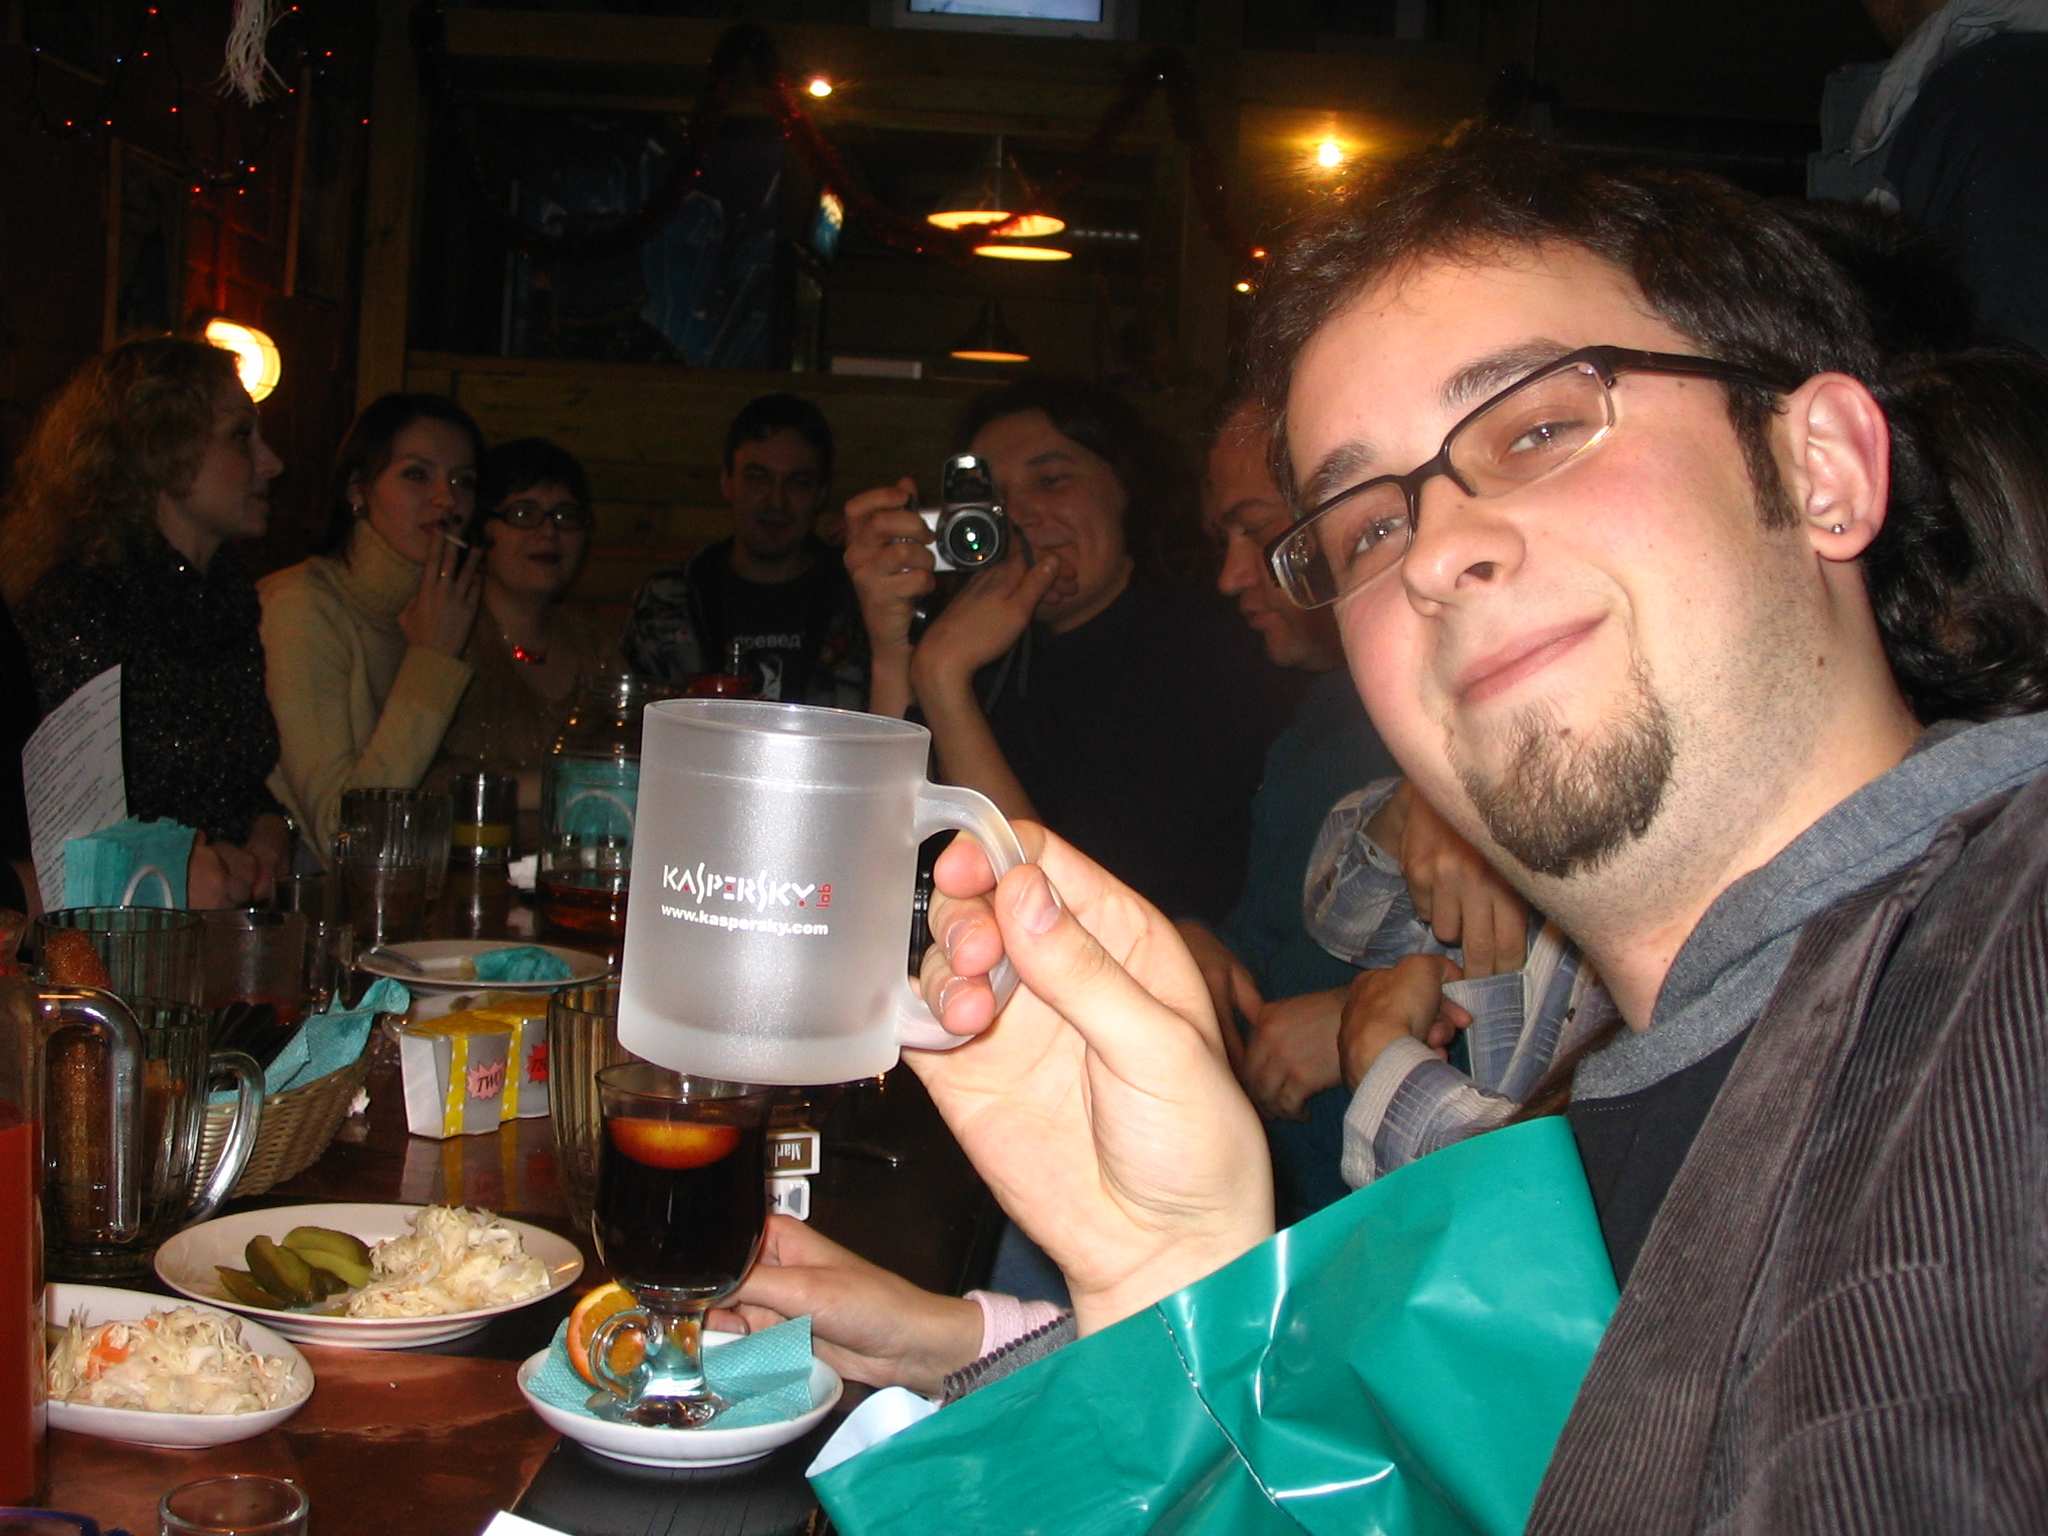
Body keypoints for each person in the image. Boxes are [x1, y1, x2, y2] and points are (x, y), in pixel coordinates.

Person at [741, 132, 2048, 1527]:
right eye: (1364, 528)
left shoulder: (2003, 954)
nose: (1430, 553)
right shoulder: (1609, 1118)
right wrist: (1161, 1288)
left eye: (1536, 429)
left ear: (1824, 467)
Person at [843, 378, 1285, 925]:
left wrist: (940, 676)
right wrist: (892, 649)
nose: (1019, 515)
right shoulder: (991, 646)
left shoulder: (1209, 654)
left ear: (1125, 488)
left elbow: (1076, 923)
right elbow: (879, 862)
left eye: (1051, 480)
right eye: (991, 497)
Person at [1175, 396, 1400, 1220]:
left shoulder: (1452, 727)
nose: (1231, 576)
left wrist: (1367, 1027)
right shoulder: (1319, 719)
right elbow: (1270, 945)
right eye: (1224, 540)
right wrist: (1199, 943)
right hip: (1275, 1209)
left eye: (1258, 532)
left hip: (1383, 1233)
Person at [4, 337, 293, 905]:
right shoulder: (79, 602)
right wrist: (192, 865)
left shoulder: (224, 596)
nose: (272, 463)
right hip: (123, 936)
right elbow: (71, 830)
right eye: (241, 435)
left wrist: (269, 825)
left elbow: (227, 781)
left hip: (214, 922)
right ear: (161, 449)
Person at [259, 394, 484, 861]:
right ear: (358, 491)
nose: (448, 499)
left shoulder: (437, 609)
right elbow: (342, 835)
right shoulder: (300, 605)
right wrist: (433, 662)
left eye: (463, 481)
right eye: (417, 475)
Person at [429, 437, 616, 846]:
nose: (548, 532)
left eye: (566, 516)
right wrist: (556, 784)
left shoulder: (597, 647)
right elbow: (421, 777)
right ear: (483, 530)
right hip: (463, 865)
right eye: (523, 514)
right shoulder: (446, 632)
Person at [622, 393, 865, 706]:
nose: (776, 502)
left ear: (820, 494)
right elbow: (633, 714)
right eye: (758, 478)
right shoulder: (666, 600)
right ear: (727, 482)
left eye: (798, 482)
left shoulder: (858, 600)